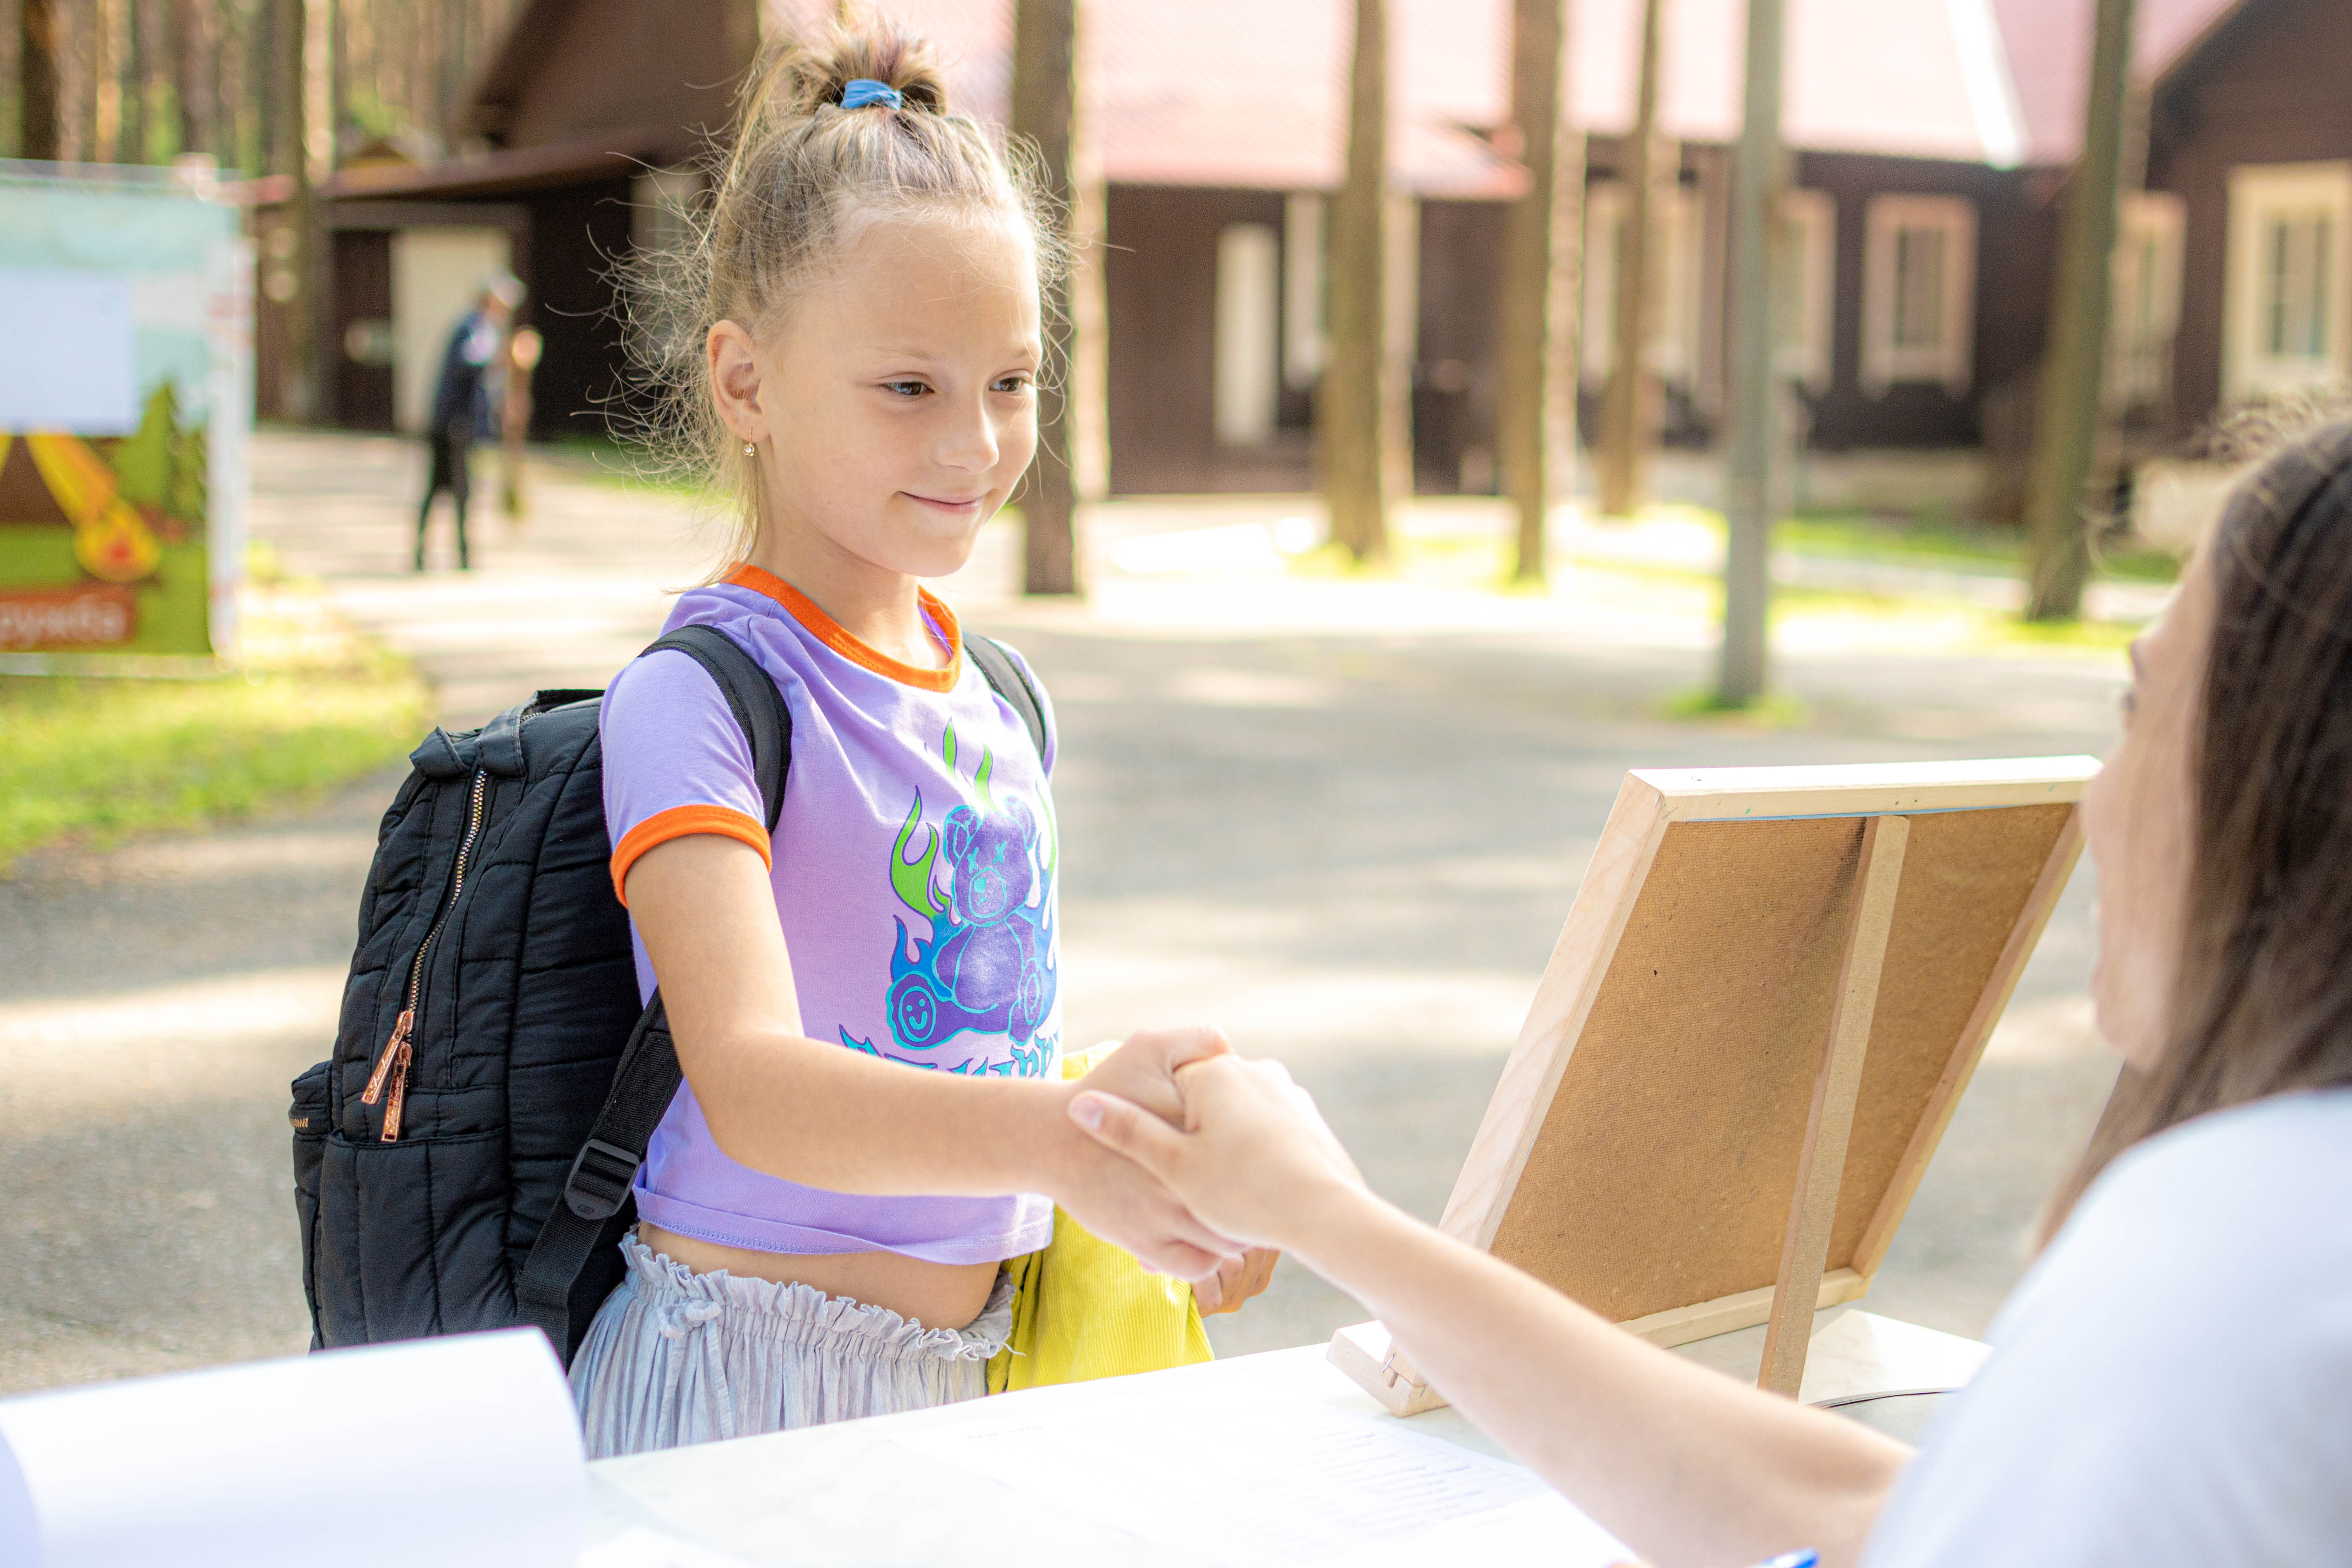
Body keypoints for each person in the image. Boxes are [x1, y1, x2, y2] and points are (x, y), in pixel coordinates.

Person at [1070, 423, 2352, 1565]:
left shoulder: (2221, 1244)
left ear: (2281, 800)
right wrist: (1320, 1210)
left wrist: (1317, 1211)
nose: (2094, 793)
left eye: (2140, 707)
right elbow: (1860, 1506)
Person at [567, 24, 1271, 1458]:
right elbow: (754, 1085)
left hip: (967, 1396)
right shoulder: (699, 697)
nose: (974, 442)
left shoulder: (996, 697)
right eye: (909, 386)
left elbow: (960, 1052)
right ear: (744, 381)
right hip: (742, 1400)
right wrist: (1077, 1133)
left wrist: (1154, 1173)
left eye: (1009, 381)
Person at [413, 274, 520, 571]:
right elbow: (470, 364)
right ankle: (455, 556)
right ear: (490, 300)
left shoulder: (482, 328)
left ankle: (442, 554)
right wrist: (504, 357)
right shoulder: (474, 327)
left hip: (456, 423)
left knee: (448, 489)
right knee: (452, 489)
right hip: (453, 425)